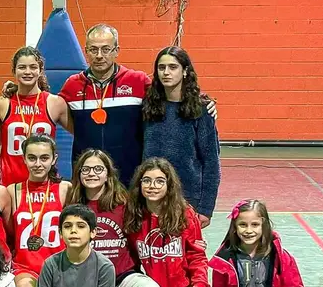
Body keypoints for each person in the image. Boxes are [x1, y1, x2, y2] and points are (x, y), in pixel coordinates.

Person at [58, 24, 217, 187]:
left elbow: (168, 94)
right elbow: (52, 108)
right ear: (86, 51)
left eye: (106, 49)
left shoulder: (137, 80)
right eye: (93, 49)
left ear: (116, 50)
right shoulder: (72, 85)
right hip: (89, 177)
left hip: (130, 177)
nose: (99, 55)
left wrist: (201, 99)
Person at [65, 149, 163, 287]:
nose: (92, 173)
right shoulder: (73, 207)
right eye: (86, 169)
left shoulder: (124, 204)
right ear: (78, 173)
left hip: (124, 278)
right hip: (91, 282)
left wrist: (190, 235)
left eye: (98, 169)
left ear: (108, 174)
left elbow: (156, 219)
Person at [124, 158, 208, 287]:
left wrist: (199, 286)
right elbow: (130, 258)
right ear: (139, 185)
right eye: (146, 180)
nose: (152, 186)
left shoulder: (184, 214)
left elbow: (197, 256)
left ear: (169, 185)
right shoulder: (133, 216)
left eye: (159, 181)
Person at [142, 46, 221, 228]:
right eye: (161, 68)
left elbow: (211, 164)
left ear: (185, 71)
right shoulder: (147, 107)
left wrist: (206, 208)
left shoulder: (201, 111)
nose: (166, 73)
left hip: (187, 198)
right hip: (150, 196)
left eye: (173, 67)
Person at [8, 134, 70, 287]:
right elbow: (7, 233)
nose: (38, 164)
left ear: (54, 159)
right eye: (32, 158)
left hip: (59, 267)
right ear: (23, 159)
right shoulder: (12, 191)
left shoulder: (65, 189)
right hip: (26, 267)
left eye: (44, 158)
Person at [0, 46, 68, 187]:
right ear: (14, 71)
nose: (27, 72)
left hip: (45, 185)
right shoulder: (3, 103)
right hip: (11, 185)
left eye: (33, 67)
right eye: (22, 67)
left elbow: (79, 133)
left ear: (40, 71)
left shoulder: (54, 103)